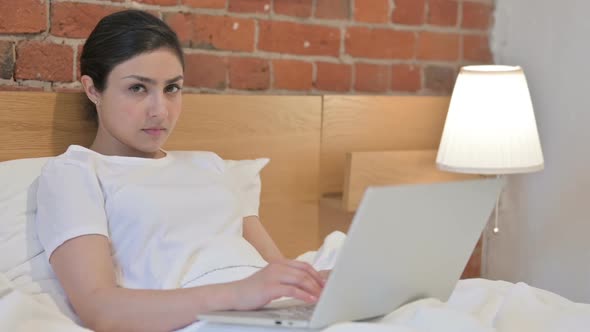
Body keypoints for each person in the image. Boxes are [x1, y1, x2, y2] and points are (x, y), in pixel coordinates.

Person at [35, 10, 325, 332]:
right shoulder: (75, 173)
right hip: (202, 321)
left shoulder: (210, 165)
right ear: (93, 90)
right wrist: (238, 294)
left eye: (172, 88)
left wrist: (324, 283)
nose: (160, 111)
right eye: (137, 88)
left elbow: (277, 268)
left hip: (272, 313)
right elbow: (100, 308)